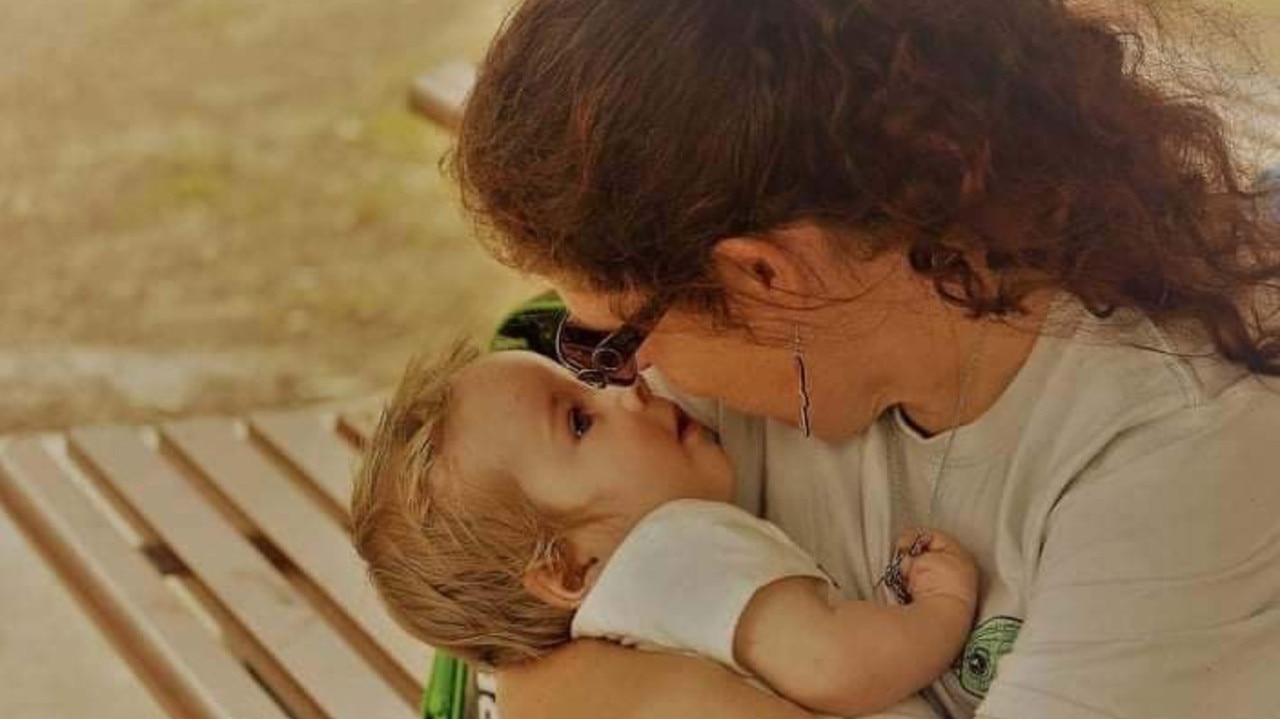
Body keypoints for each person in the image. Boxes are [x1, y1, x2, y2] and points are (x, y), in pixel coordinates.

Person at [443, 0, 1280, 717]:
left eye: (621, 337)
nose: (624, 379)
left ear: (763, 273)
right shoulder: (705, 412)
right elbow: (525, 672)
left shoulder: (1179, 446)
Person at [352, 344, 979, 718]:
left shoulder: (613, 636)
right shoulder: (673, 550)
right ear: (566, 570)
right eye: (580, 421)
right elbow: (834, 661)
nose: (626, 390)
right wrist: (941, 611)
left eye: (589, 387)